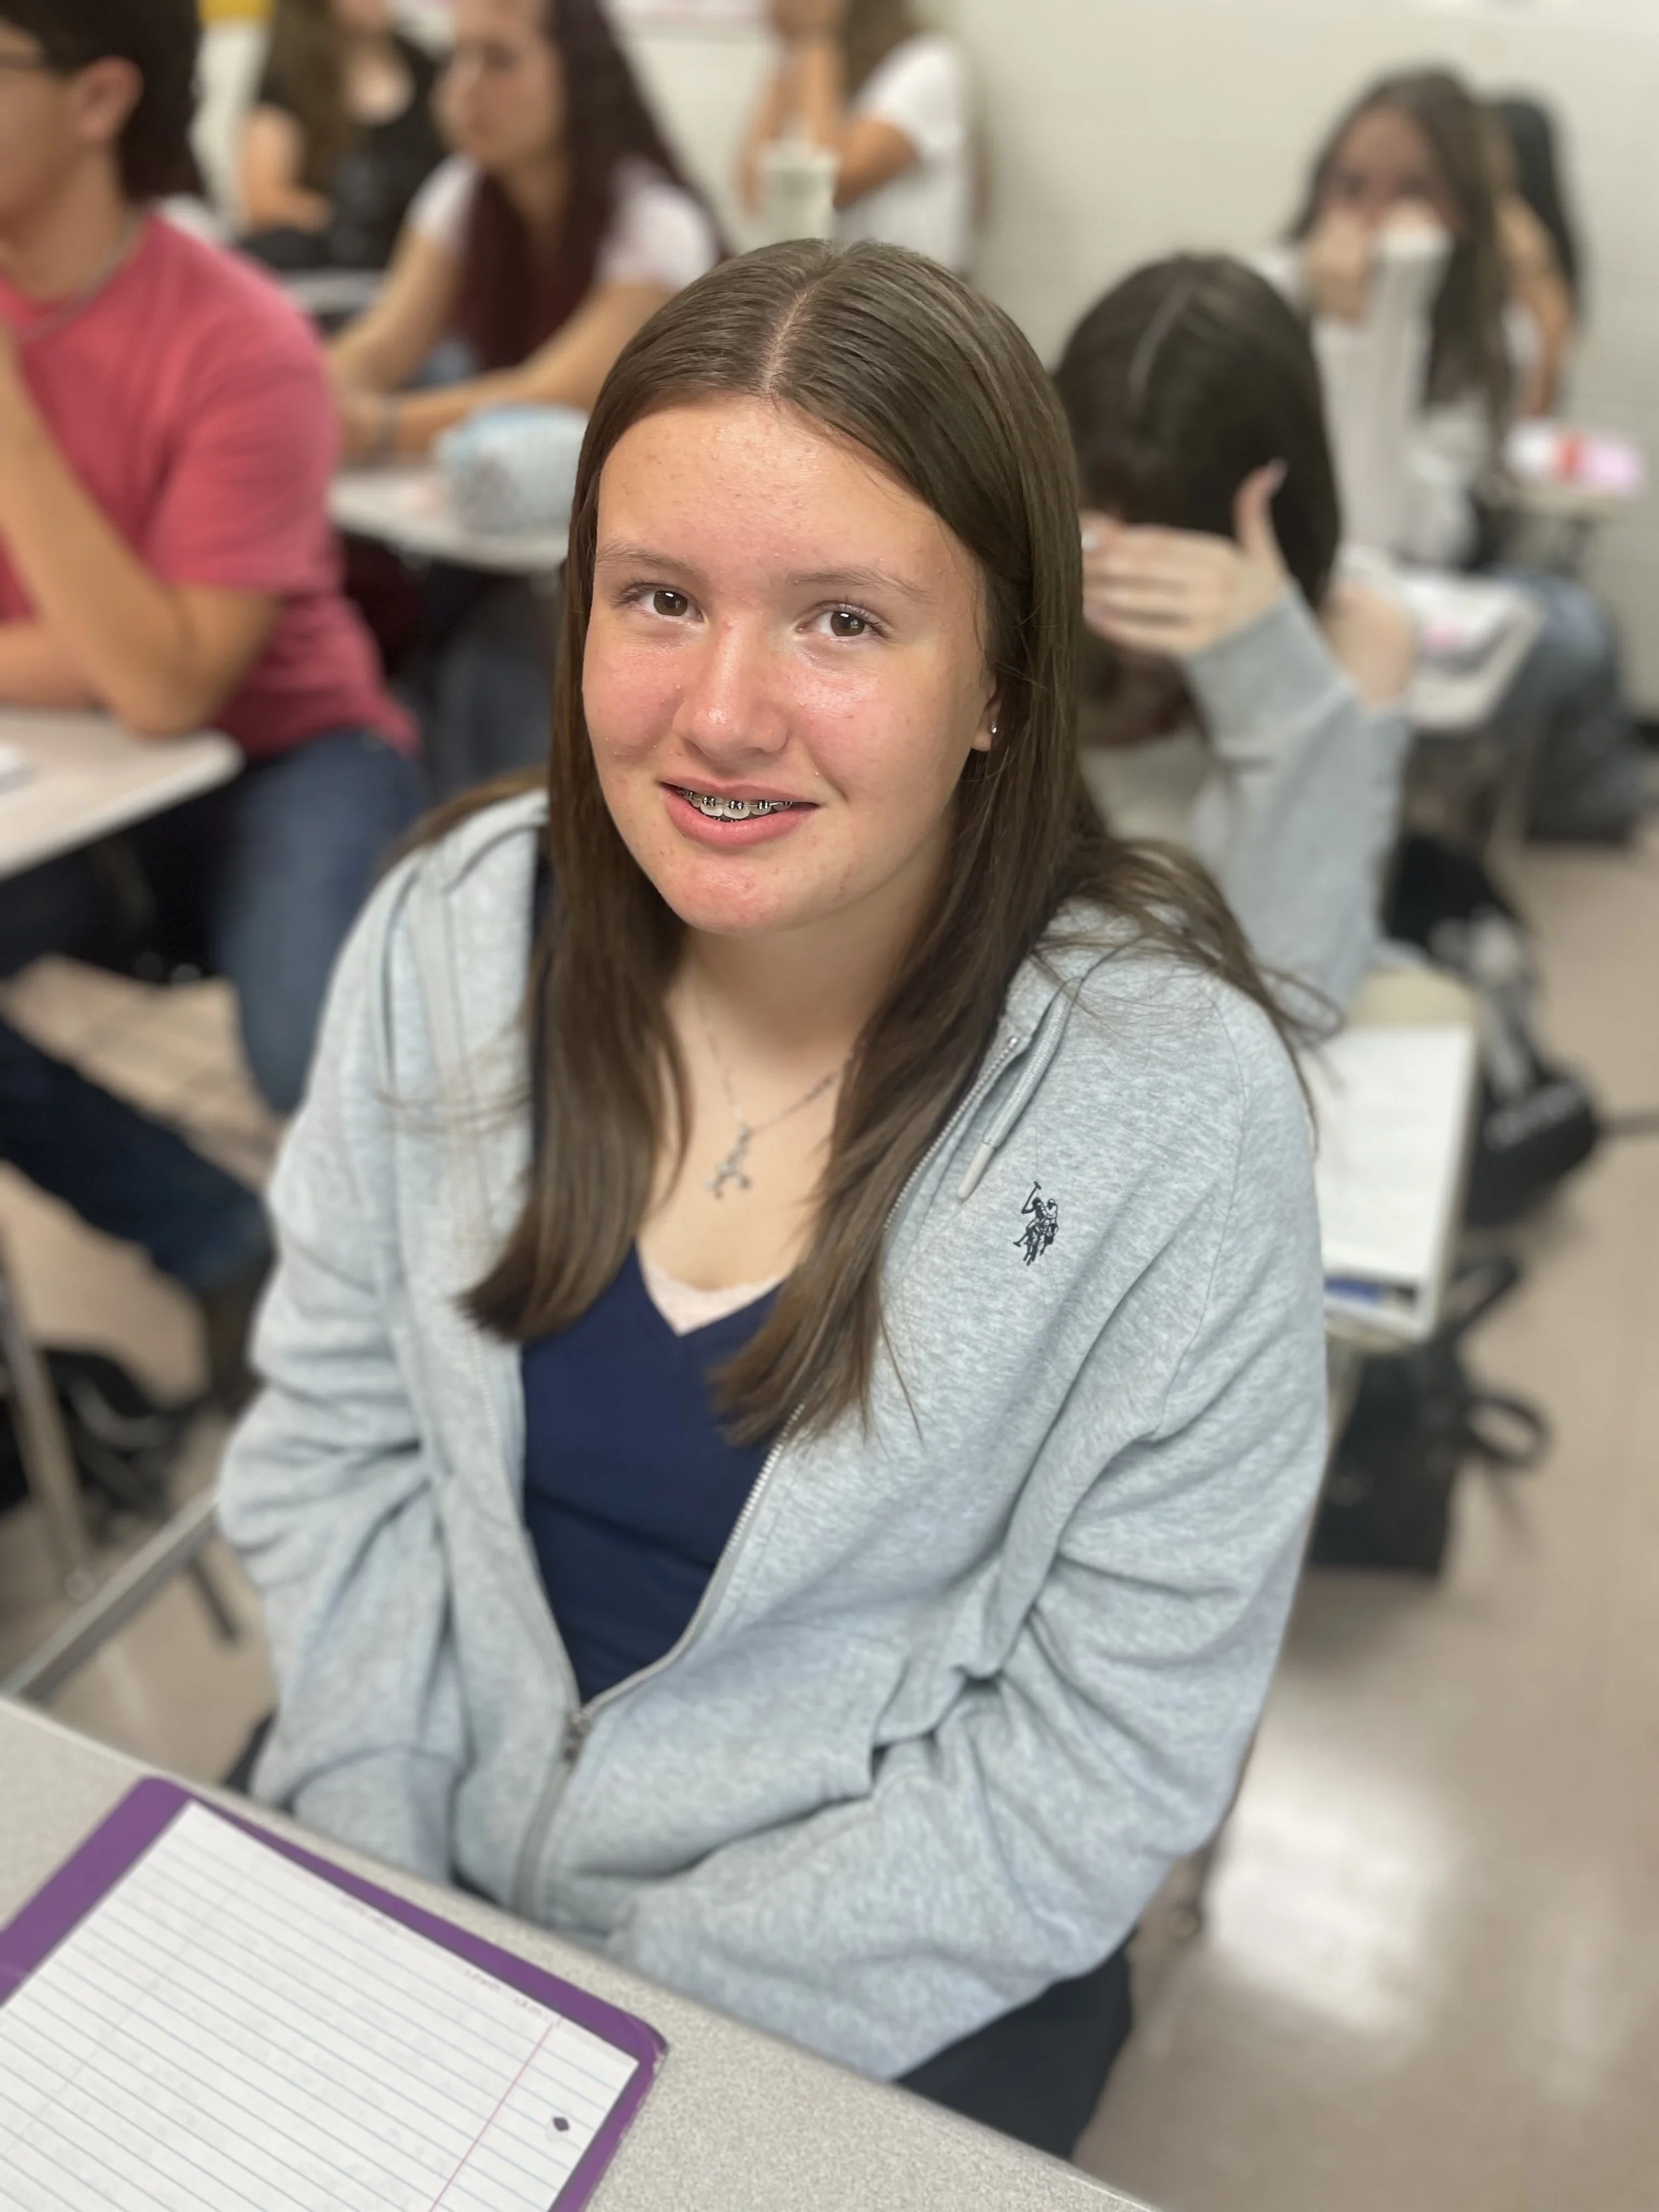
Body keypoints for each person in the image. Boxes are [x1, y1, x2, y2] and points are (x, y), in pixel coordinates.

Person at [221, 239, 1329, 2160]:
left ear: (1000, 678)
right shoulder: (451, 932)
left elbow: (1104, 1743)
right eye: (659, 596)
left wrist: (623, 2032)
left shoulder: (1174, 1113)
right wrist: (392, 1870)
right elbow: (328, 1442)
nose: (721, 713)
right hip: (412, 1827)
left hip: (862, 1974)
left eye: (839, 621)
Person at [0, 0, 421, 1379]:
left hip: (291, 751)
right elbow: (132, 659)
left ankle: (424, 1333)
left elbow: (181, 678)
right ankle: (214, 1240)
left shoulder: (239, 339)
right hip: (61, 755)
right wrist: (124, 652)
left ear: (99, 96)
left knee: (311, 1038)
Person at [328, 0, 721, 799]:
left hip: (653, 541)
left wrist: (365, 426)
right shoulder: (464, 193)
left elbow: (548, 389)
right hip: (518, 529)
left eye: (499, 61)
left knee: (491, 660)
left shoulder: (653, 221)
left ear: (575, 77)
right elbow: (379, 344)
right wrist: (310, 391)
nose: (465, 88)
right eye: (459, 58)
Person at [1261, 68, 1646, 844]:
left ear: (1466, 211)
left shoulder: (1491, 334)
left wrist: (1380, 322)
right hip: (1279, 574)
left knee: (1578, 633)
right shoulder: (1273, 285)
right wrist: (1344, 327)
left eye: (1411, 192)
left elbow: (1385, 531)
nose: (1370, 217)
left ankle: (1568, 809)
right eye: (1350, 183)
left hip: (1406, 588)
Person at [1055, 255, 1417, 1020]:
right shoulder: (1042, 600)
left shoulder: (1351, 644)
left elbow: (1295, 989)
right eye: (1098, 526)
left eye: (1172, 541)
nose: (1131, 577)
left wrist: (1271, 685)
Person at [738, 0, 974, 273]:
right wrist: (788, 55)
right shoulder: (811, 64)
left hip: (908, 294)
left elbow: (834, 181)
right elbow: (756, 192)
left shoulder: (928, 64)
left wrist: (817, 37)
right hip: (837, 289)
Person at [238, 0, 445, 276]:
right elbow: (264, 202)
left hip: (426, 260)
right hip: (333, 266)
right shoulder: (289, 81)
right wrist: (353, 225)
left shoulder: (430, 70)